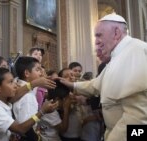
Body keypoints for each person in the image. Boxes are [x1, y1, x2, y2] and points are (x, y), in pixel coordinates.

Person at [61, 13, 147, 141]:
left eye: (99, 35)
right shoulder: (118, 56)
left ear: (116, 33)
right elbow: (96, 84)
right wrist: (72, 85)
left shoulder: (135, 52)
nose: (96, 42)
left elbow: (138, 120)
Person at [0, 67, 57, 141]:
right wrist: (42, 112)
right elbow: (20, 129)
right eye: (11, 82)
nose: (15, 86)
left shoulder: (4, 104)